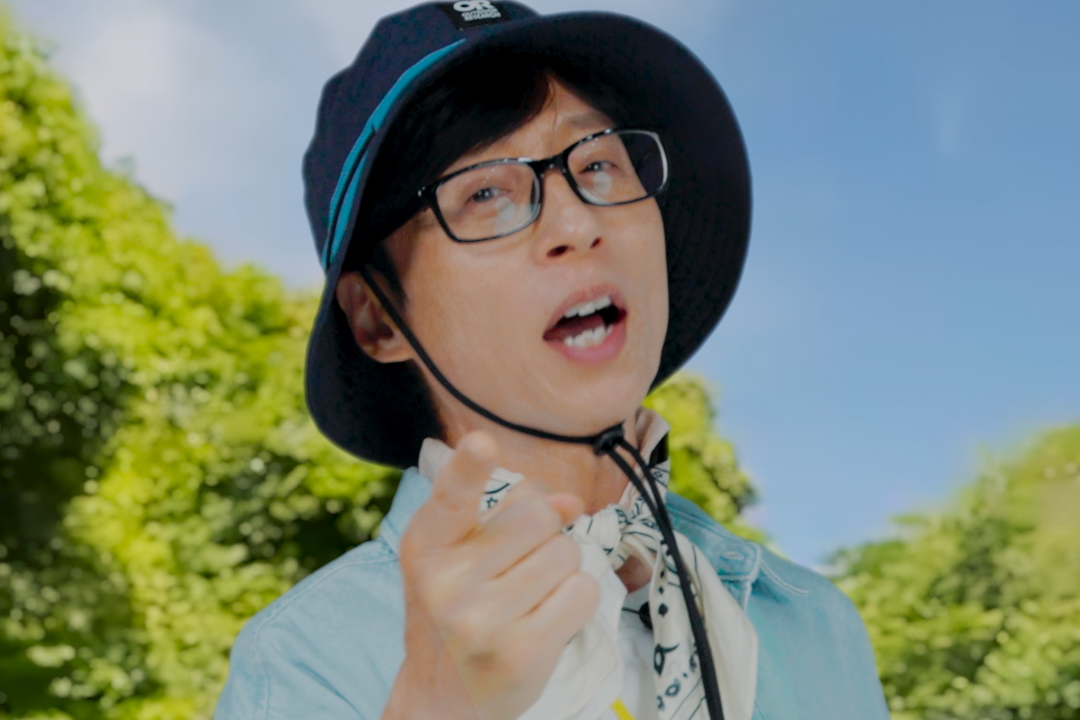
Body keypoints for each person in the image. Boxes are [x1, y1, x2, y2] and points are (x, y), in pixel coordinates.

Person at [214, 3, 891, 719]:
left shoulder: (814, 624)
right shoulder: (302, 664)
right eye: (484, 194)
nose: (576, 223)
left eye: (598, 163)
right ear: (379, 317)